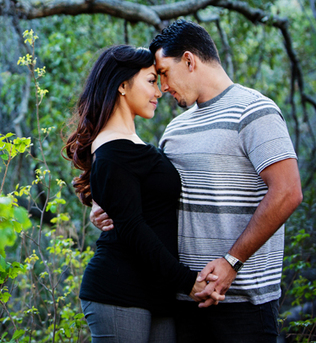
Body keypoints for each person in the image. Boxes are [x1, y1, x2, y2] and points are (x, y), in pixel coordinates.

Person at [91, 20, 303, 343]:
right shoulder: (174, 130)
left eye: (162, 73)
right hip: (184, 303)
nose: (161, 87)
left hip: (244, 304)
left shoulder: (255, 111)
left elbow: (288, 192)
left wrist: (232, 261)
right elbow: (147, 196)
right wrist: (103, 208)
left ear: (189, 61)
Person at [63, 44, 220, 343]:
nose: (159, 91)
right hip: (120, 291)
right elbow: (133, 228)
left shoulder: (129, 145)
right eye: (151, 80)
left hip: (158, 290)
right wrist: (189, 282)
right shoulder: (112, 152)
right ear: (122, 85)